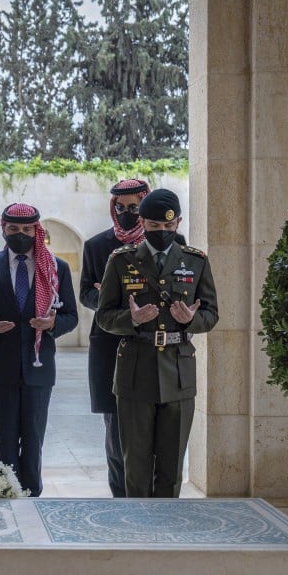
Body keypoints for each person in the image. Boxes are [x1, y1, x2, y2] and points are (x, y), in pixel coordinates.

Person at [96, 188, 218, 498]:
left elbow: (212, 314)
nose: (162, 232)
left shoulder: (195, 261)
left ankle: (167, 531)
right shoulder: (122, 261)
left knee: (171, 465)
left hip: (178, 370)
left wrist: (190, 320)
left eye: (168, 226)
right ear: (142, 223)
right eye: (154, 226)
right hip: (135, 369)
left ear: (178, 221)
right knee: (135, 463)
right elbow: (104, 316)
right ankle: (137, 532)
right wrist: (132, 319)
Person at [80, 179, 186, 498]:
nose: (127, 213)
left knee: (157, 431)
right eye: (120, 207)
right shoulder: (97, 246)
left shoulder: (175, 243)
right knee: (117, 433)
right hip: (110, 344)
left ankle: (156, 502)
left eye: (134, 207)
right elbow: (87, 291)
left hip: (156, 348)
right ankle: (121, 500)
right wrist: (113, 300)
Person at [0, 203, 78, 497]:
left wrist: (52, 325)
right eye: (14, 229)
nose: (21, 235)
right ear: (3, 229)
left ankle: (32, 493)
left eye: (27, 230)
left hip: (38, 365)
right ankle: (7, 489)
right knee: (5, 435)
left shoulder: (56, 268)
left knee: (33, 436)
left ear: (37, 230)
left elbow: (71, 315)